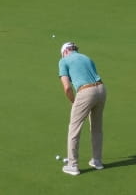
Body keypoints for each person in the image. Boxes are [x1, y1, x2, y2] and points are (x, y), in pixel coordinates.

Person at [58, 41, 106, 175]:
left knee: (74, 128)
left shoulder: (64, 61)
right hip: (101, 90)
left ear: (65, 51)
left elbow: (67, 87)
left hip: (86, 92)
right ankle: (97, 161)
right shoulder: (86, 57)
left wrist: (74, 101)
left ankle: (72, 165)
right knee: (96, 127)